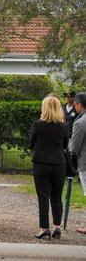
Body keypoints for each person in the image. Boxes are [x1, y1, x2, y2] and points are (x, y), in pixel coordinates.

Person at [29, 96, 68, 240]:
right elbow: (65, 145)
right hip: (59, 165)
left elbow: (31, 143)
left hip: (41, 164)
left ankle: (44, 228)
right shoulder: (64, 126)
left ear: (43, 108)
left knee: (43, 198)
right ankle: (57, 227)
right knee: (57, 198)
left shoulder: (38, 124)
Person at [68, 92, 86, 234]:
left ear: (80, 104)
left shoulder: (80, 122)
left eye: (75, 104)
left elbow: (74, 147)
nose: (74, 107)